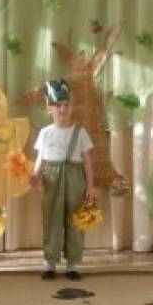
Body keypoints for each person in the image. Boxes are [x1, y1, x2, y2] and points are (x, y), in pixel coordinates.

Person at [29, 79, 96, 281]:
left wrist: (90, 187)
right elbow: (41, 159)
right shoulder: (45, 133)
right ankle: (49, 262)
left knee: (75, 219)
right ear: (49, 108)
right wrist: (35, 176)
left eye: (66, 105)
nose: (63, 109)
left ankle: (72, 265)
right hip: (51, 177)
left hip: (74, 176)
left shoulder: (80, 132)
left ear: (72, 107)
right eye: (58, 105)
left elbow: (87, 161)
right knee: (52, 219)